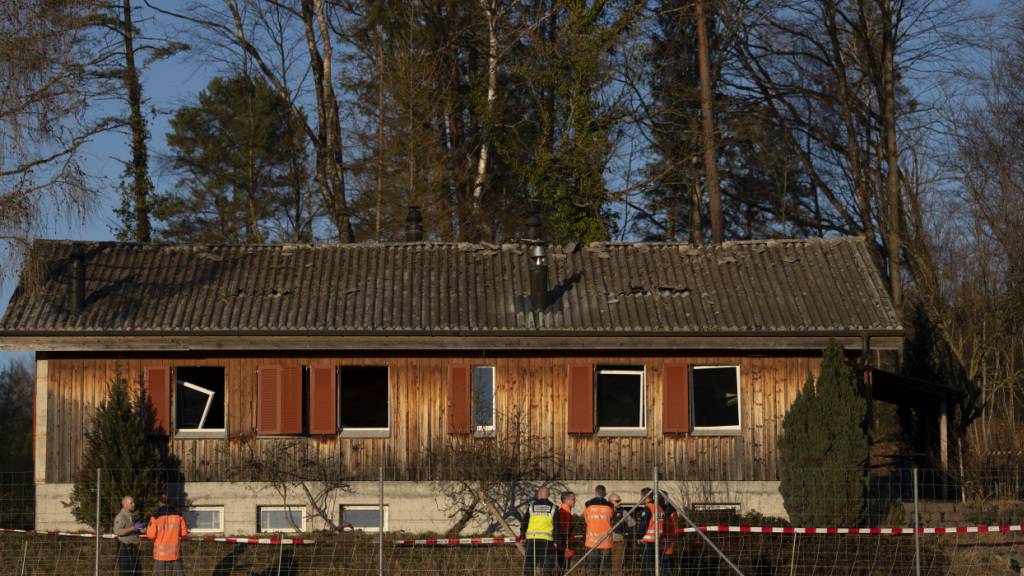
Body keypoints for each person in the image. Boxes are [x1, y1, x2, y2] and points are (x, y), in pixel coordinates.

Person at [146, 496, 189, 576]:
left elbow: (150, 535)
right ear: (169, 502)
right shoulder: (179, 515)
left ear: (159, 503)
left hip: (160, 552)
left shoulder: (155, 516)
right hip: (174, 551)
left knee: (161, 574)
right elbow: (184, 534)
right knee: (179, 573)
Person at [521, 487, 558, 576]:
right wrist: (556, 541)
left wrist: (522, 536)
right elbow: (557, 526)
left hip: (532, 540)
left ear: (538, 494)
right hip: (547, 541)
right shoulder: (553, 508)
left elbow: (524, 523)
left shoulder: (531, 507)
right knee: (546, 568)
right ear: (548, 495)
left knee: (529, 567)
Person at [583, 485, 614, 576]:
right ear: (604, 494)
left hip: (592, 541)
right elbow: (611, 519)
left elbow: (586, 520)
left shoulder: (588, 504)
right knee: (606, 567)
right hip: (606, 540)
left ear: (595, 493)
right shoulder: (610, 506)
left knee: (593, 567)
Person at [633, 488, 664, 576]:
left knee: (647, 567)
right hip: (658, 540)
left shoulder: (648, 508)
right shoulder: (659, 507)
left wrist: (639, 537)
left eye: (641, 497)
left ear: (645, 497)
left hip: (648, 541)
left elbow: (643, 524)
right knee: (655, 566)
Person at [114, 496, 146, 576]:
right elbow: (117, 531)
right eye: (131, 503)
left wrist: (141, 529)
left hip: (135, 547)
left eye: (133, 502)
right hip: (125, 547)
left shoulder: (133, 515)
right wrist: (133, 528)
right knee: (127, 572)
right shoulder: (120, 517)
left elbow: (135, 529)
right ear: (124, 504)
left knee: (137, 572)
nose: (133, 504)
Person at [556, 491, 576, 573]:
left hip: (564, 545)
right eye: (573, 499)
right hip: (563, 546)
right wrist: (566, 547)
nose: (575, 501)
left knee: (564, 568)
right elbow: (562, 531)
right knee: (563, 568)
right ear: (567, 500)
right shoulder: (563, 513)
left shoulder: (565, 512)